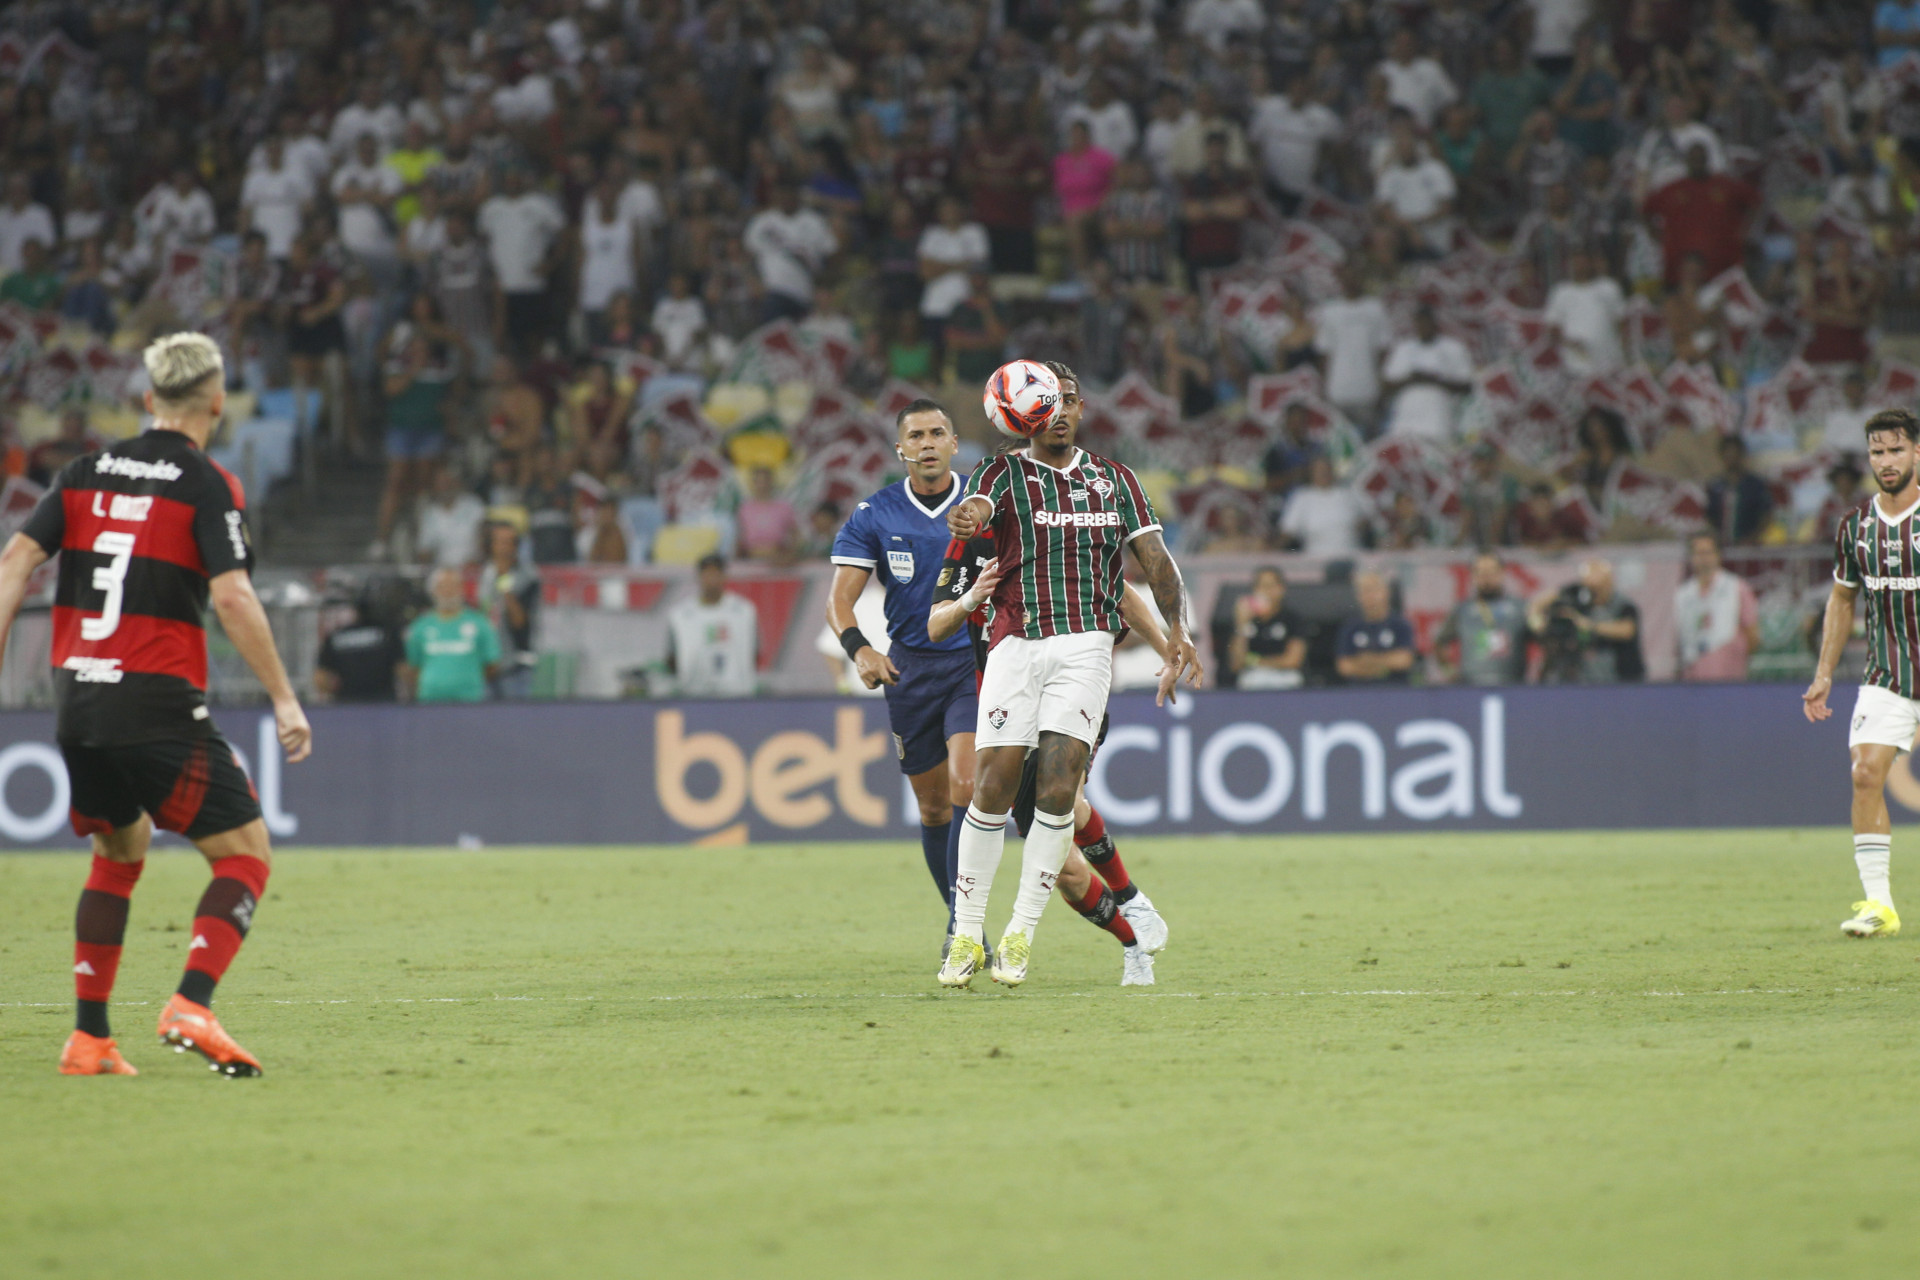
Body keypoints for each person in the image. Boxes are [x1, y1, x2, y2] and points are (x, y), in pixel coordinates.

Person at [0, 332, 312, 1078]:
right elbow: (233, 596)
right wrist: (284, 696)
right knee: (245, 855)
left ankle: (89, 1038)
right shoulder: (208, 484)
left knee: (118, 850)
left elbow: (15, 563)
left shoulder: (81, 472)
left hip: (79, 703)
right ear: (215, 402)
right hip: (156, 701)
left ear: (146, 401)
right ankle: (191, 1003)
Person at [936, 356, 1200, 989]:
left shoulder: (1116, 482)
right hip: (1015, 645)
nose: (1057, 413)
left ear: (1080, 410)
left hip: (1085, 647)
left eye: (1068, 401)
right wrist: (969, 519)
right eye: (1046, 403)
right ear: (1026, 415)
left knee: (1060, 790)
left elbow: (1153, 564)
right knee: (991, 787)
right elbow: (973, 508)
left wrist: (1177, 637)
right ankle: (968, 933)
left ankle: (1021, 933)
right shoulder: (1001, 472)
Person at [826, 400, 988, 936]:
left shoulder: (985, 503)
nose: (927, 443)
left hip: (971, 661)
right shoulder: (875, 514)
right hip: (909, 671)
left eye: (937, 432)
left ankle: (963, 929)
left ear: (954, 443)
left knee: (966, 785)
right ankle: (959, 915)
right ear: (900, 449)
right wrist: (861, 650)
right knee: (935, 808)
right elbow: (839, 601)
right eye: (915, 435)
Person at [1804, 407, 1920, 938]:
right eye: (1878, 452)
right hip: (1888, 672)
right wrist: (1825, 670)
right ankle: (1880, 905)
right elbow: (1842, 600)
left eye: (1896, 450)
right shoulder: (1856, 527)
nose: (1887, 461)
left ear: (1917, 452)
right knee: (1865, 773)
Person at [1529, 558, 1643, 684]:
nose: (1596, 591)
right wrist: (1538, 622)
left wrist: (1590, 625)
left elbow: (1627, 630)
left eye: (1600, 585)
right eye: (1591, 586)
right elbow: (1537, 603)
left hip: (1622, 676)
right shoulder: (1578, 594)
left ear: (1610, 582)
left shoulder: (1623, 605)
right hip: (1585, 677)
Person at [402, 567, 501, 704]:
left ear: (462, 589)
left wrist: (468, 681)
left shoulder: (480, 624)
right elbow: (413, 666)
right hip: (429, 701)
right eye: (443, 587)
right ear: (433, 591)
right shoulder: (420, 626)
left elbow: (492, 664)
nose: (448, 592)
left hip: (470, 701)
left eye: (453, 586)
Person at [666, 553, 759, 697]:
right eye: (707, 574)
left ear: (724, 576)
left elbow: (755, 652)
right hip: (694, 695)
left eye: (716, 573)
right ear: (699, 577)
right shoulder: (680, 615)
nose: (712, 579)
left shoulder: (744, 611)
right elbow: (672, 659)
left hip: (737, 695)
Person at [1434, 553, 1530, 685]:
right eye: (1480, 572)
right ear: (1472, 576)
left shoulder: (1520, 607)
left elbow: (1543, 639)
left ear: (1502, 573)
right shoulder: (1462, 610)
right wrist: (1450, 673)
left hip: (1513, 684)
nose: (1486, 578)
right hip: (1471, 687)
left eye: (1491, 572)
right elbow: (1439, 643)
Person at [1675, 532, 1759, 681]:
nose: (1703, 558)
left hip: (1729, 678)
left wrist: (1734, 654)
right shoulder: (1683, 594)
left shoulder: (1736, 588)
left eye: (1707, 552)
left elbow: (1753, 635)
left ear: (1718, 555)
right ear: (1691, 558)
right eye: (1698, 553)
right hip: (1693, 679)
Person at [1381, 306, 1474, 441]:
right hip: (1405, 421)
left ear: (1434, 323)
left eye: (1426, 322)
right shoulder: (1403, 348)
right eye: (1419, 322)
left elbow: (1467, 386)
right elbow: (1386, 385)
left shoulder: (1453, 348)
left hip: (1438, 421)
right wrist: (1412, 379)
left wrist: (1435, 380)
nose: (1423, 326)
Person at [475, 523, 540, 698]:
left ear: (515, 546)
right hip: (488, 665)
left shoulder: (528, 577)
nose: (503, 548)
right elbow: (483, 613)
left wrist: (504, 581)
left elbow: (519, 621)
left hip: (516, 666)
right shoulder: (486, 575)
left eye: (508, 542)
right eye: (498, 542)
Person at [1231, 566, 1309, 690]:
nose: (1267, 592)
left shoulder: (1292, 619)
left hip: (1285, 677)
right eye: (1262, 586)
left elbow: (1293, 661)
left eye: (1271, 586)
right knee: (1249, 680)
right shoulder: (1246, 621)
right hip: (1253, 678)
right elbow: (1236, 664)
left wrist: (1255, 661)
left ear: (1282, 589)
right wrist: (1242, 624)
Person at [314, 600, 403, 703]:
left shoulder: (336, 637)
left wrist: (333, 691)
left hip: (347, 701)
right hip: (384, 700)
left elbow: (321, 677)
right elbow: (402, 668)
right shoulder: (388, 634)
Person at [1335, 572, 1416, 684]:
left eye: (1375, 590)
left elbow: (1404, 660)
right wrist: (1382, 665)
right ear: (1358, 596)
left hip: (1395, 690)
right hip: (1358, 691)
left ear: (1387, 593)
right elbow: (1344, 666)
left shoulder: (1400, 625)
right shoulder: (1351, 626)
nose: (1370, 596)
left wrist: (1370, 661)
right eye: (1365, 591)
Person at [1280, 455, 1366, 555]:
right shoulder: (1301, 497)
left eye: (1326, 469)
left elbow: (1365, 519)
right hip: (1314, 557)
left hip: (1351, 553)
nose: (1323, 473)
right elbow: (1288, 531)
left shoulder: (1348, 492)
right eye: (1319, 470)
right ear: (1311, 473)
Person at [1705, 436, 1774, 546]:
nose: (1732, 459)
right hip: (1721, 549)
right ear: (1722, 456)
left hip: (1748, 550)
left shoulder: (1755, 485)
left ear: (1741, 455)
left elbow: (1767, 515)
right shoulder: (1715, 486)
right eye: (1728, 455)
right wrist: (1716, 537)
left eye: (1735, 454)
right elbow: (1708, 516)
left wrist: (1752, 538)